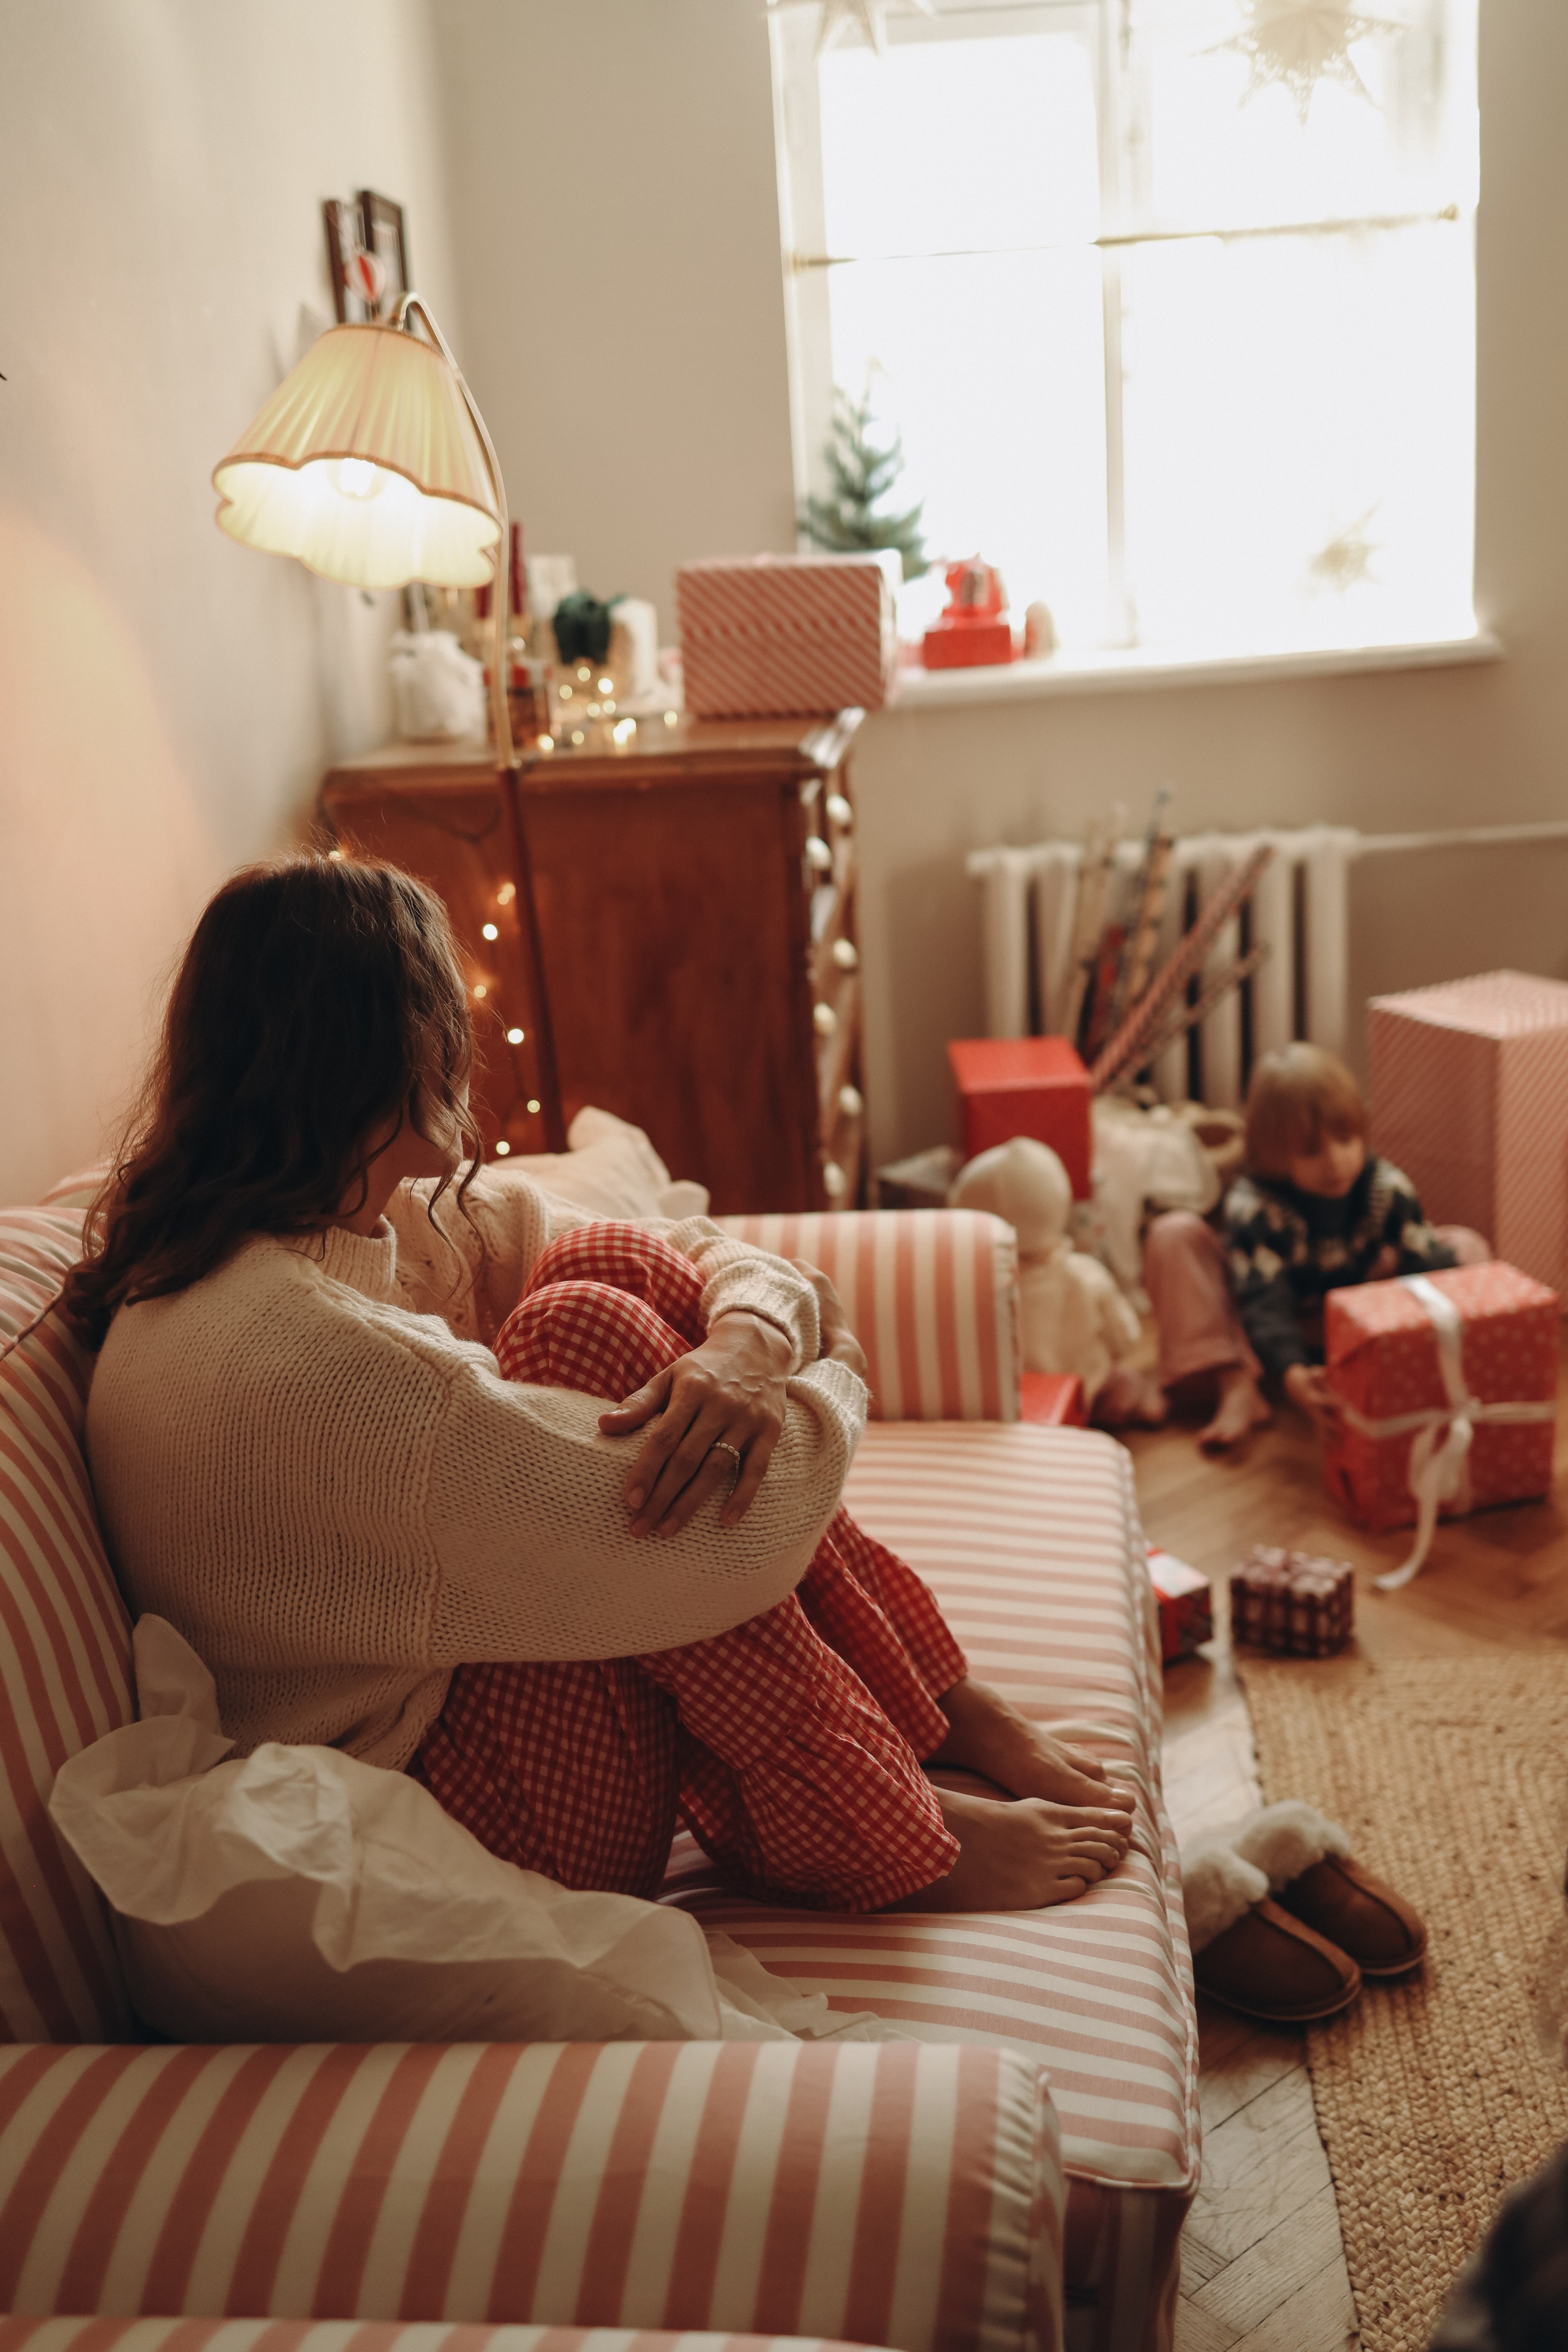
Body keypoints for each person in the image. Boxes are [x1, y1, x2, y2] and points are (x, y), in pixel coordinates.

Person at [67, 856, 1134, 1917]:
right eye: (445, 1010)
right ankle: (883, 1825)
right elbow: (733, 1557)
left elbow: (684, 1251)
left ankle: (938, 1707)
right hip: (442, 1829)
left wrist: (752, 1344)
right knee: (591, 1342)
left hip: (452, 1720)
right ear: (395, 1046)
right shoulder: (323, 1367)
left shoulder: (336, 1225)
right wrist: (839, 1374)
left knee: (606, 1272)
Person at [1120, 1043, 1488, 1452]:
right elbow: (1263, 1299)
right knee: (1173, 1234)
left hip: (1355, 1320)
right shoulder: (1257, 1205)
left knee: (1465, 1246)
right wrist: (1292, 1370)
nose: (1336, 1161)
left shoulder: (1386, 1187)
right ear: (1274, 1154)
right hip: (1262, 1327)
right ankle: (1236, 1385)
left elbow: (1421, 1259)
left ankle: (1433, 1369)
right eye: (1312, 1151)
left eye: (1346, 1140)